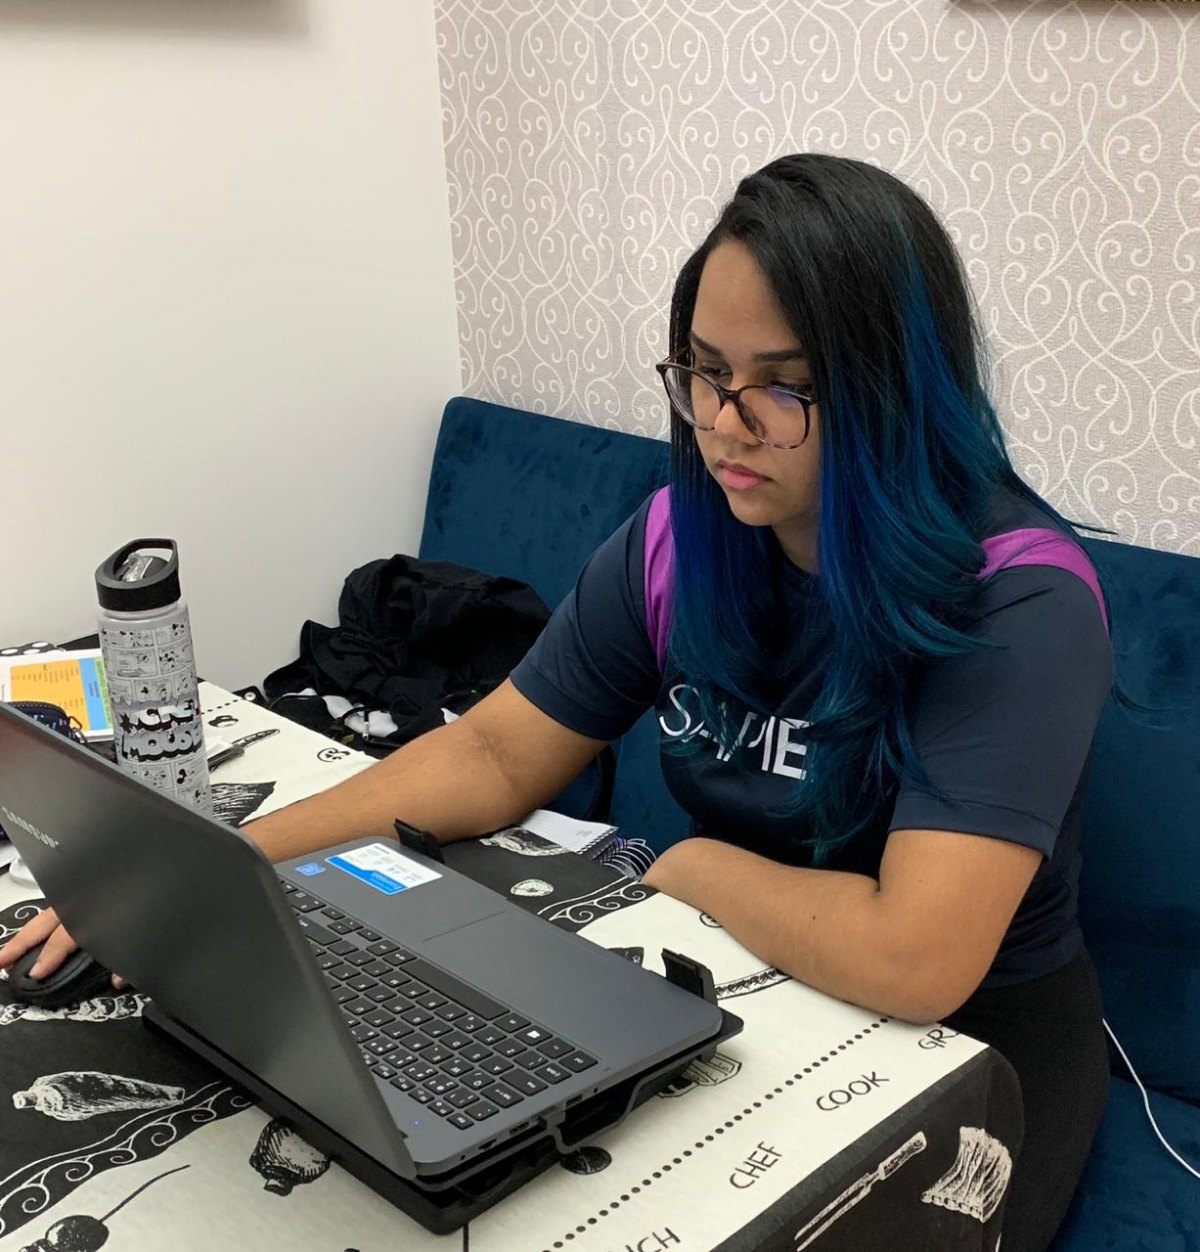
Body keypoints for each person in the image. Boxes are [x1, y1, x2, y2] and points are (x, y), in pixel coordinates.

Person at [0, 154, 1110, 1251]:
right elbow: (492, 754)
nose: (723, 425)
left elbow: (916, 958)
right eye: (703, 370)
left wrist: (696, 867)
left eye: (783, 385)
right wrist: (221, 867)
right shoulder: (686, 537)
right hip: (747, 980)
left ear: (891, 387)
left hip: (972, 1042)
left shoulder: (1017, 601)